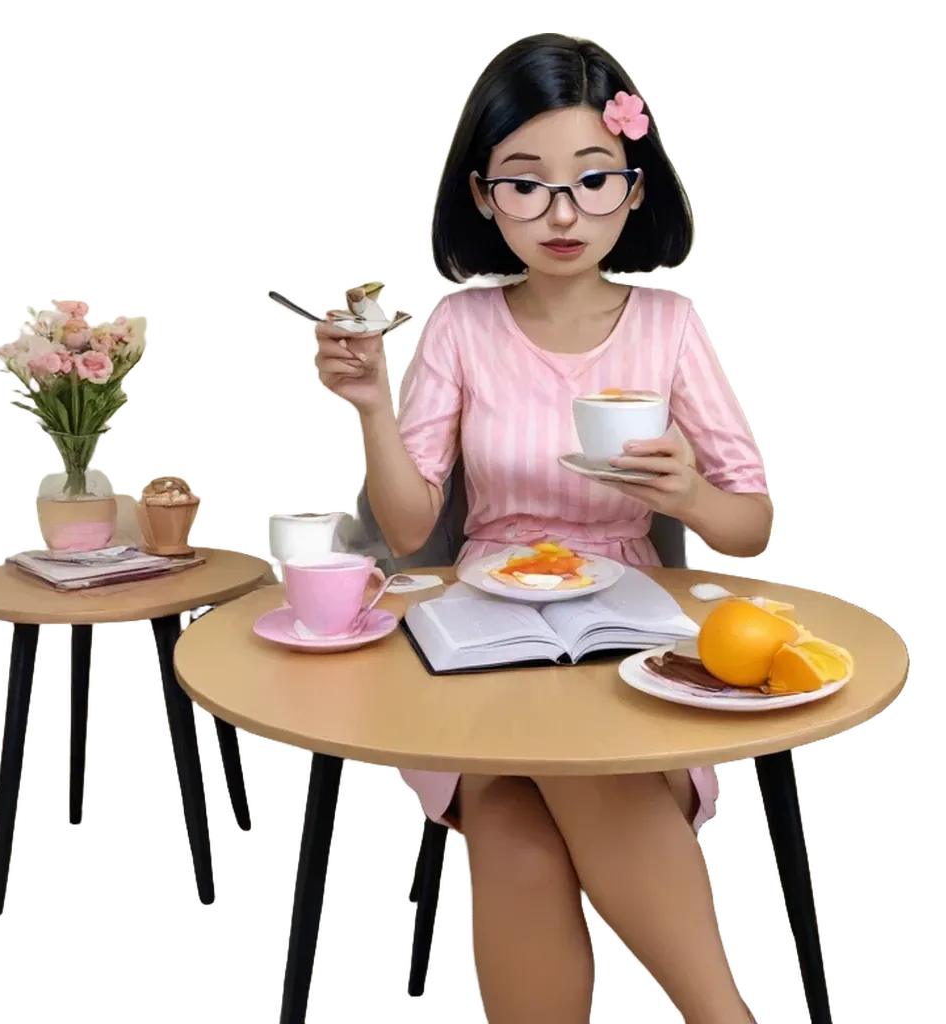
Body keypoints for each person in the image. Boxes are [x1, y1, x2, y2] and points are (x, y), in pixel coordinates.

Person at [313, 32, 773, 1024]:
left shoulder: (670, 326)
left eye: (591, 180)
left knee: (555, 801)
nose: (561, 214)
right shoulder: (459, 325)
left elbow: (751, 525)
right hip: (482, 626)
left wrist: (689, 492)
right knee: (517, 840)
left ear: (634, 186)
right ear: (483, 196)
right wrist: (374, 411)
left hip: (632, 632)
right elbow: (408, 522)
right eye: (527, 185)